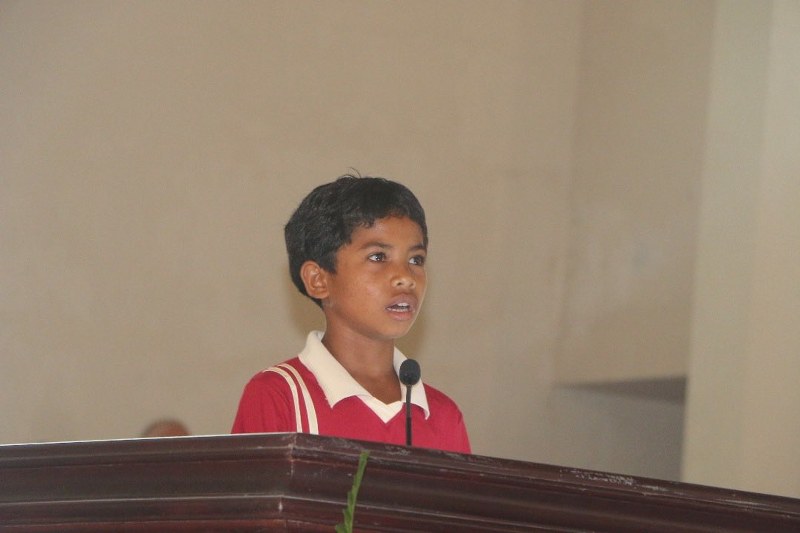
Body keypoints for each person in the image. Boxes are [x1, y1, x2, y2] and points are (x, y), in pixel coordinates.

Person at [231, 174, 470, 453]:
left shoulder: (443, 416)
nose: (405, 278)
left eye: (416, 259)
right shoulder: (280, 395)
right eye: (378, 257)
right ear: (318, 280)